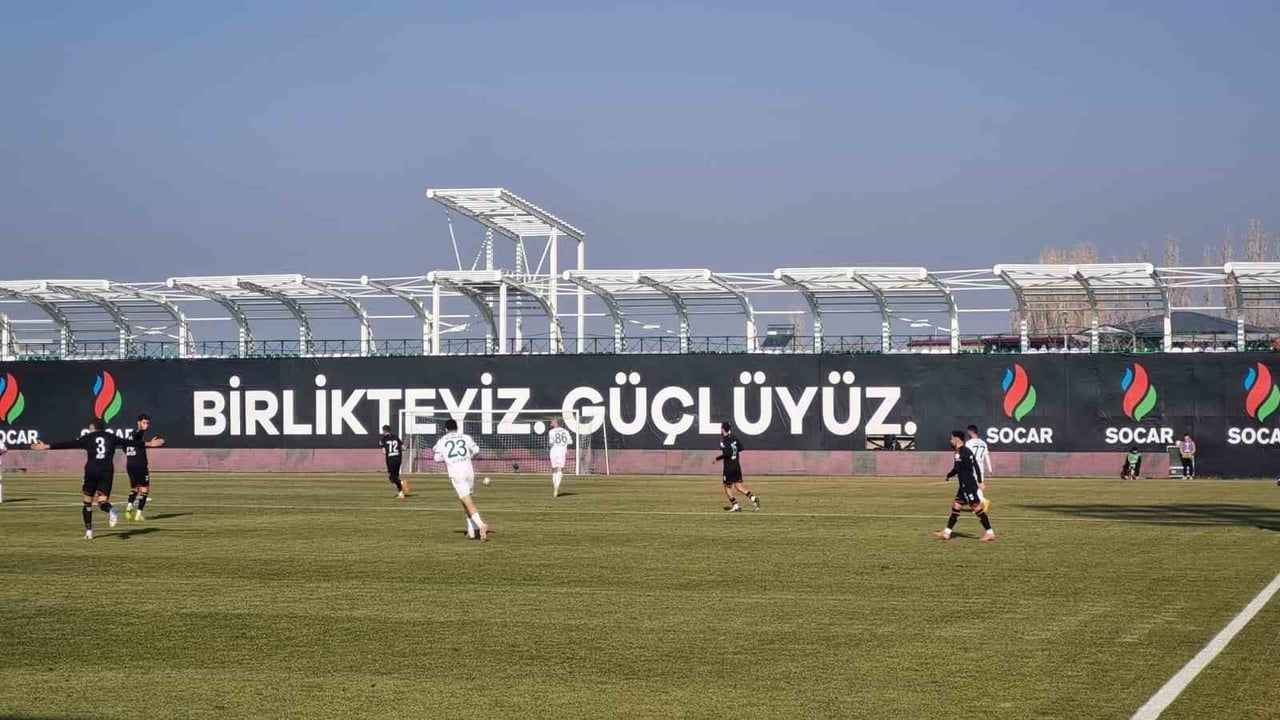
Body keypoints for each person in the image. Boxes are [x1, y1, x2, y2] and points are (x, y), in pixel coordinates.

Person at [31, 418, 165, 539]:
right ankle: (111, 510)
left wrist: (46, 446)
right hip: (107, 471)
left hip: (91, 470)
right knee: (102, 501)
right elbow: (129, 442)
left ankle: (89, 531)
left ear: (92, 428)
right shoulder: (111, 437)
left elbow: (68, 444)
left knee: (87, 502)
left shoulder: (88, 437)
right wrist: (150, 444)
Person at [432, 418, 488, 542]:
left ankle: (480, 525)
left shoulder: (442, 440)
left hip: (456, 472)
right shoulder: (465, 437)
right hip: (469, 470)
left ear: (446, 429)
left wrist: (447, 458)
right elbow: (477, 450)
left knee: (467, 501)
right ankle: (471, 531)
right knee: (465, 500)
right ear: (457, 427)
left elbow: (436, 458)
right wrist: (468, 456)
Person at [935, 431, 995, 542]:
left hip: (968, 486)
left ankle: (990, 533)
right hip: (965, 485)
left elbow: (956, 469)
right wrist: (980, 481)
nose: (950, 441)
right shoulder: (968, 451)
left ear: (957, 439)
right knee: (956, 506)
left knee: (976, 508)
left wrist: (948, 475)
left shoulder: (959, 452)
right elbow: (976, 466)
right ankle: (947, 532)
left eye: (952, 439)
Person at [713, 422, 759, 512]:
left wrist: (717, 458)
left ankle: (735, 505)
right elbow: (741, 448)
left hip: (729, 467)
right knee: (739, 487)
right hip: (736, 466)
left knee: (727, 487)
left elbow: (726, 454)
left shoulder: (723, 441)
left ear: (723, 429)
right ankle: (753, 498)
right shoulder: (734, 437)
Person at [124, 414, 156, 521]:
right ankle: (138, 515)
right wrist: (150, 444)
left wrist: (131, 455)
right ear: (138, 422)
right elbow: (137, 439)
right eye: (144, 423)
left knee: (134, 488)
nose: (146, 425)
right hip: (140, 465)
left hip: (130, 465)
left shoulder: (130, 434)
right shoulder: (138, 432)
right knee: (144, 489)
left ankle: (128, 509)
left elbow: (125, 446)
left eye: (147, 423)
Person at [965, 425, 993, 512]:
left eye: (968, 432)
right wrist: (990, 468)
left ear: (970, 432)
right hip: (981, 467)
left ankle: (983, 501)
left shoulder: (969, 443)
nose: (967, 434)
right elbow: (987, 456)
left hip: (972, 466)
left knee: (969, 488)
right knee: (978, 487)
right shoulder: (983, 443)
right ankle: (977, 506)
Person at [379, 425, 408, 499]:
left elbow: (384, 452)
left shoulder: (383, 439)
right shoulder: (396, 437)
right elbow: (404, 448)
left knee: (392, 478)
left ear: (384, 431)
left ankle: (401, 492)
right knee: (394, 477)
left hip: (390, 460)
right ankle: (401, 484)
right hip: (398, 459)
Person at [547, 418, 573, 498]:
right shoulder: (565, 431)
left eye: (552, 421)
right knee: (560, 469)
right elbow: (570, 442)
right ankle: (556, 487)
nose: (551, 422)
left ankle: (555, 486)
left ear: (556, 423)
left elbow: (551, 443)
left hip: (554, 451)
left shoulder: (551, 432)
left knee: (554, 469)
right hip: (561, 451)